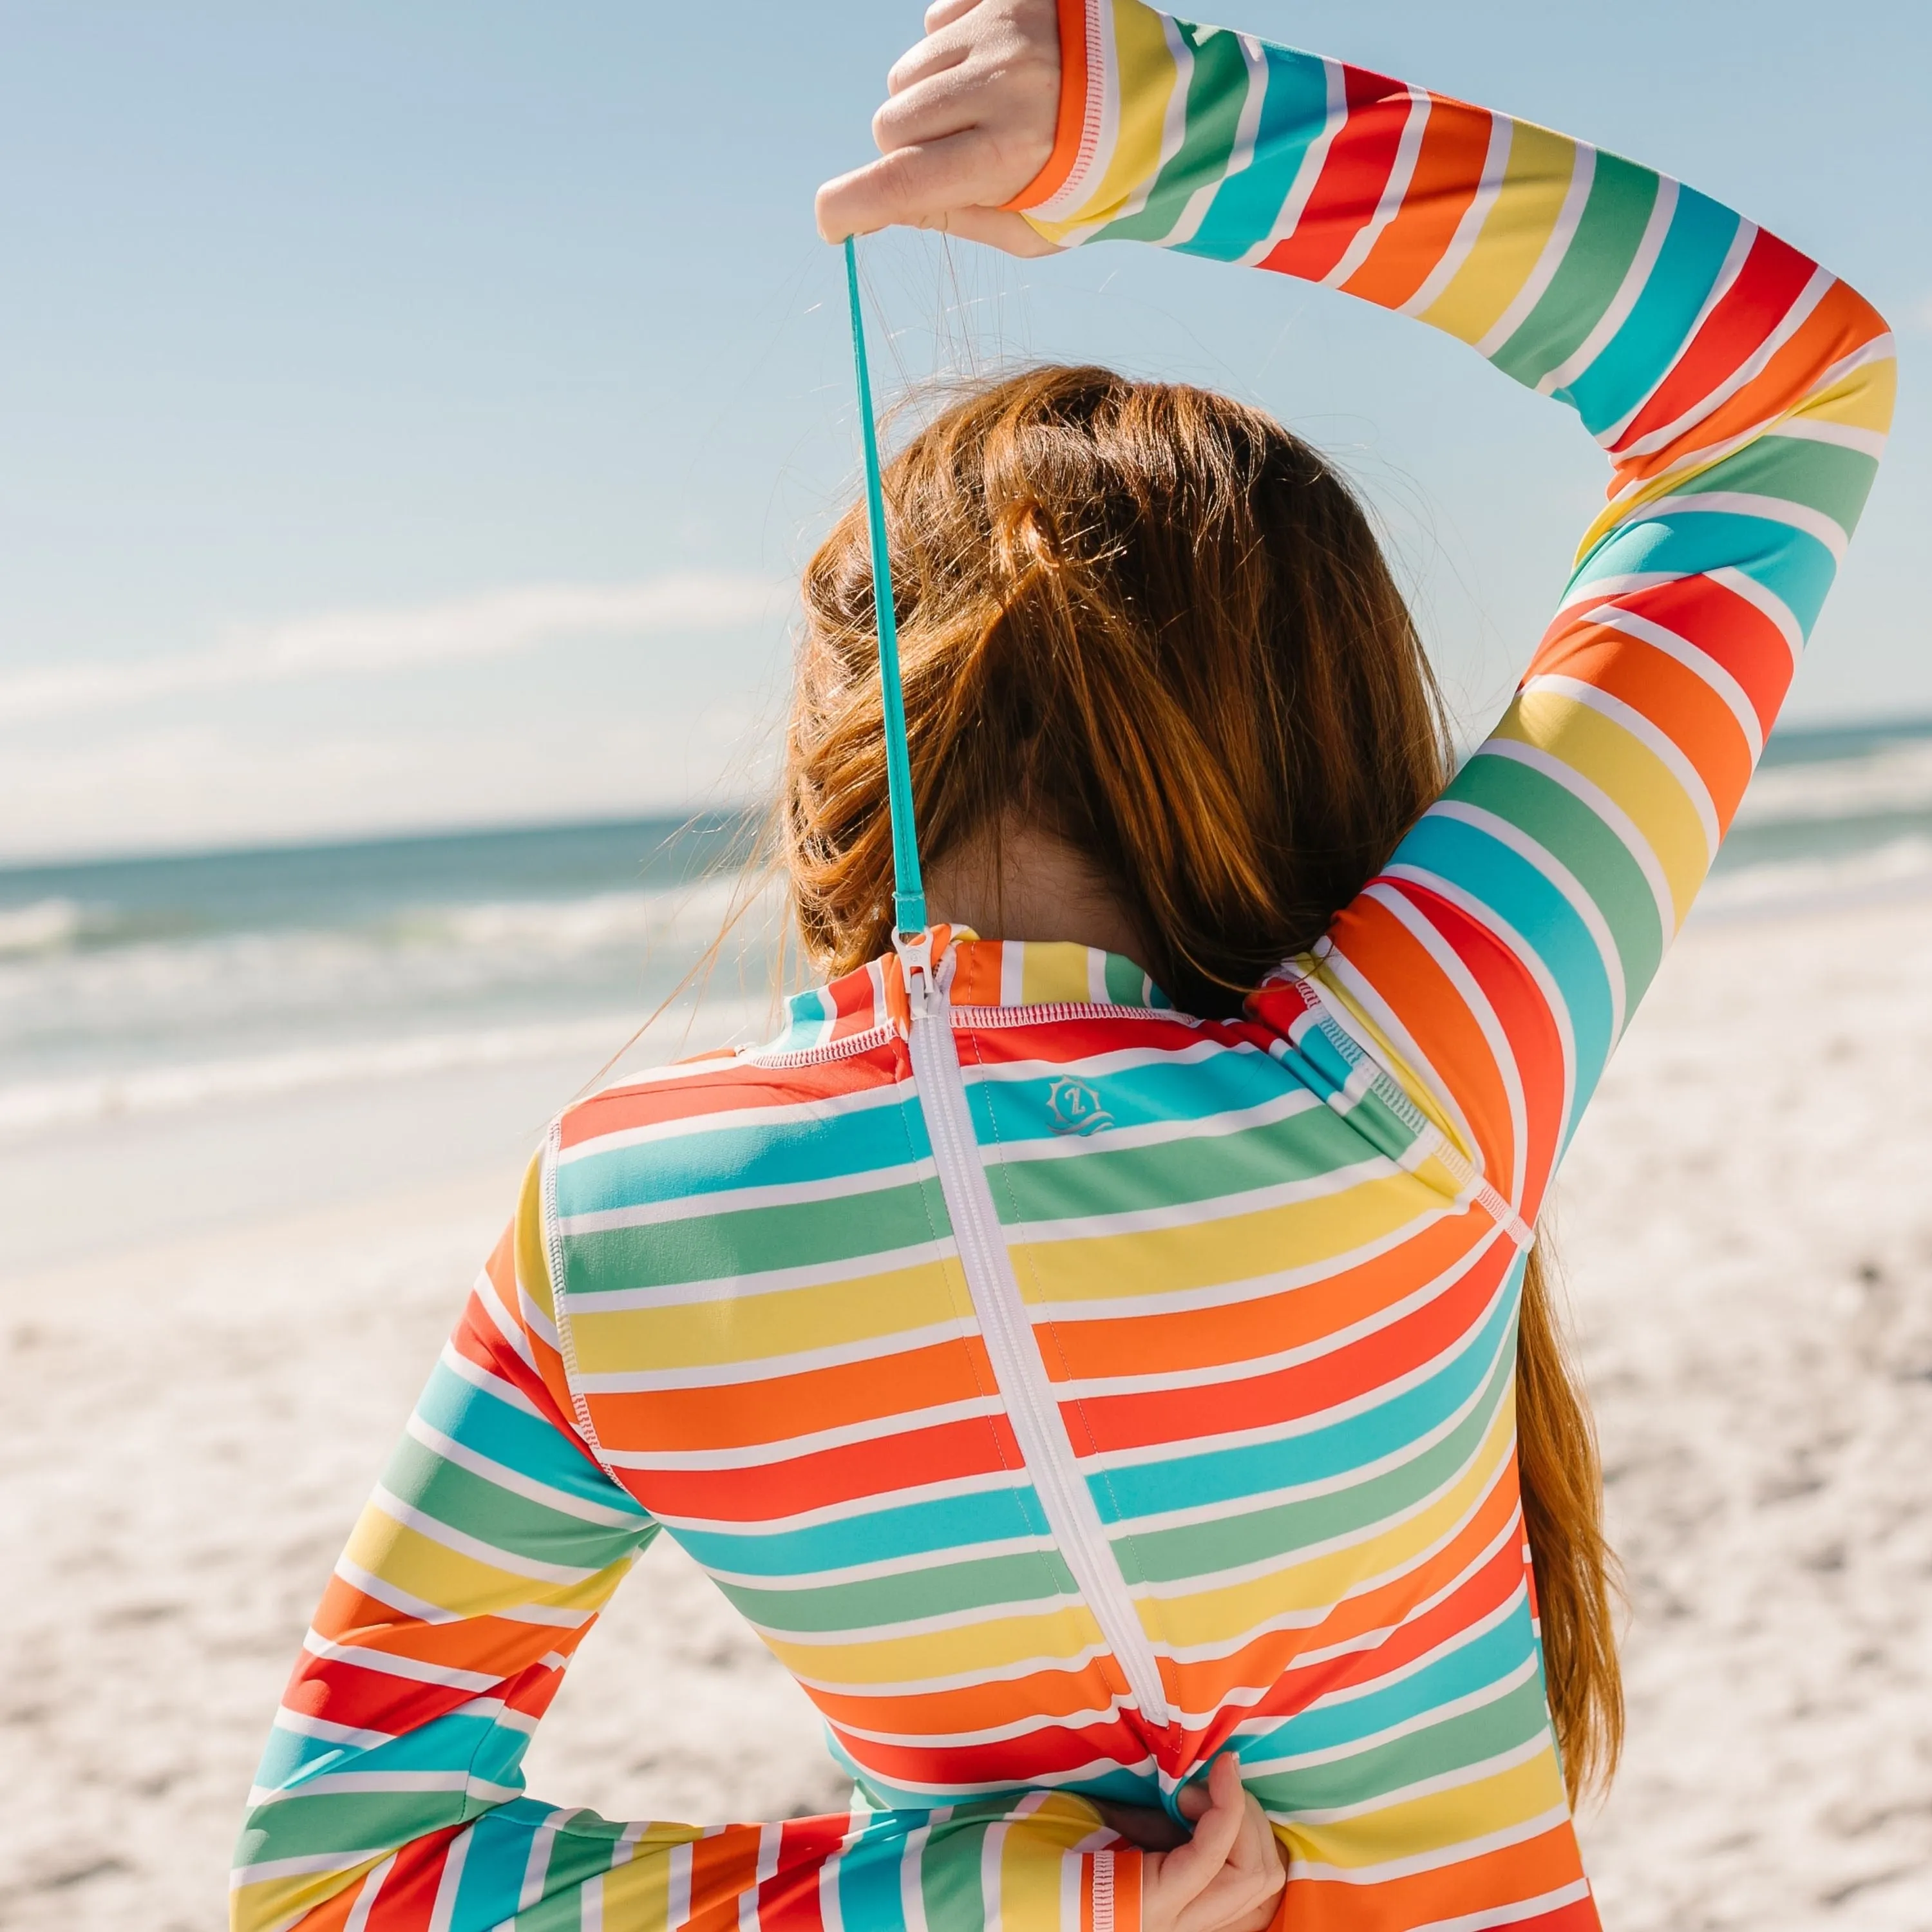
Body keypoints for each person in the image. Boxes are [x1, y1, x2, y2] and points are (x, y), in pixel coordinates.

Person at [230, 2, 1893, 1928]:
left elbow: (330, 1883)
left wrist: (955, 1896)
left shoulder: (609, 1220)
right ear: (1322, 734)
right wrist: (1153, 124)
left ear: (842, 729)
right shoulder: (1411, 1090)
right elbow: (1780, 386)